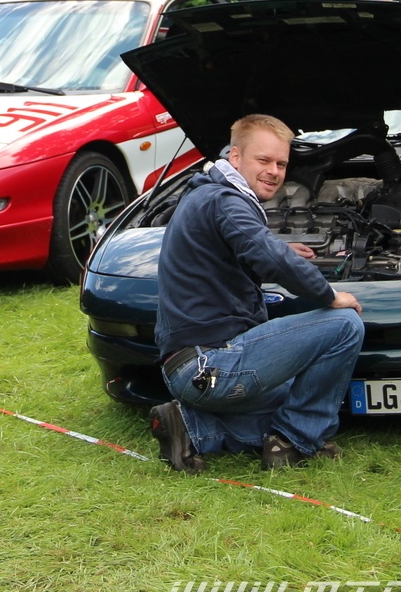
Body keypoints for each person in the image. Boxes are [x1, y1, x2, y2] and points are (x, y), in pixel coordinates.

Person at [150, 114, 364, 472]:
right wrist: (330, 295)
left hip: (189, 367)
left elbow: (243, 248)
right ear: (235, 156)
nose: (274, 172)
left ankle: (190, 428)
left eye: (281, 163)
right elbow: (268, 256)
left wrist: (279, 246)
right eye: (263, 160)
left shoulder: (207, 192)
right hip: (210, 364)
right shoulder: (226, 201)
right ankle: (295, 442)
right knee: (345, 325)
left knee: (293, 395)